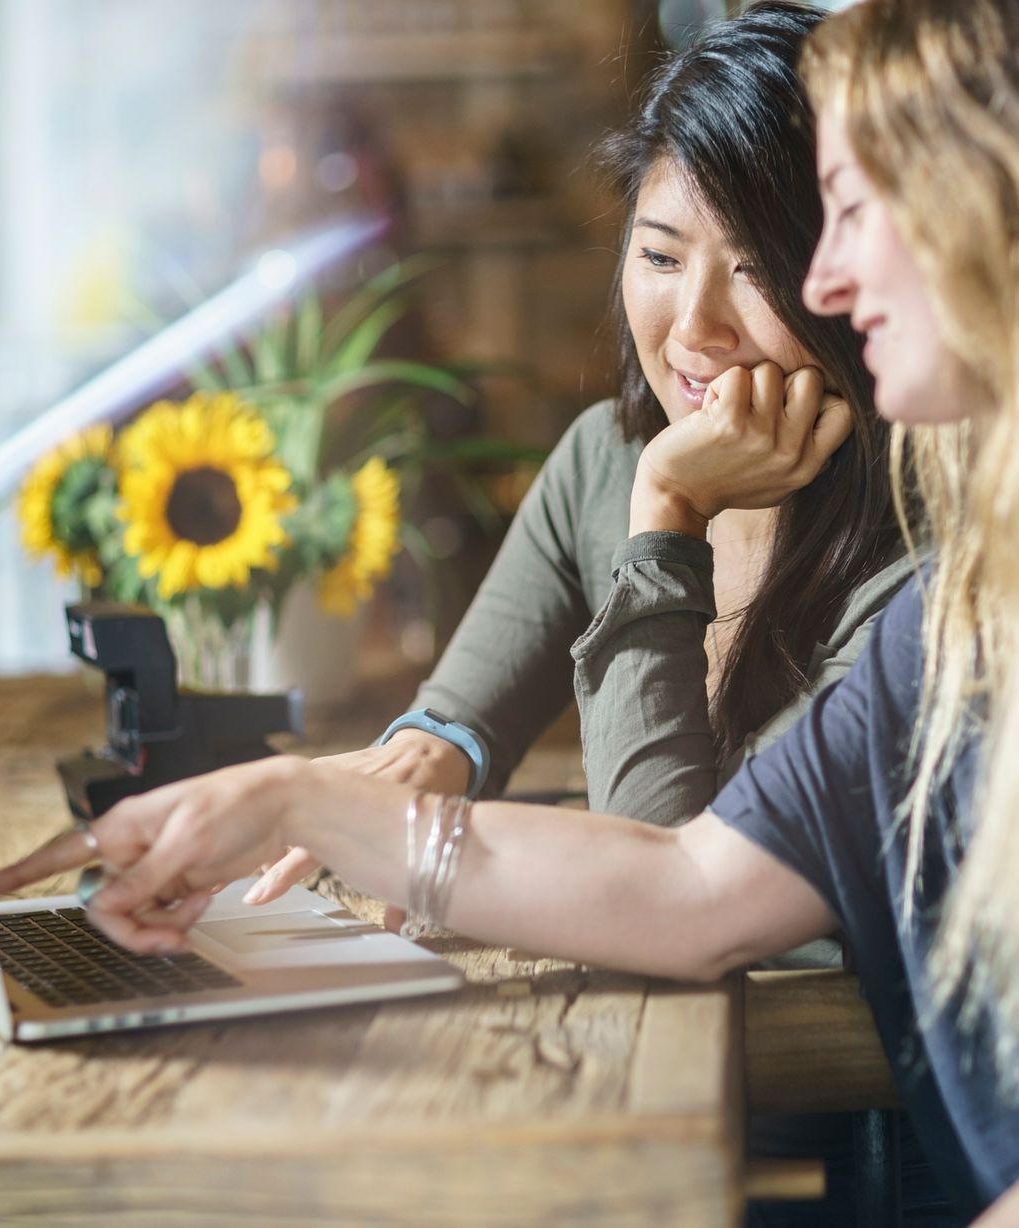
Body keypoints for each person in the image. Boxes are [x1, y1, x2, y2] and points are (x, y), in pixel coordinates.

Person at [0, 1, 1019, 1224]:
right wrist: (295, 801)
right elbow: (689, 887)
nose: (829, 285)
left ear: (1013, 207)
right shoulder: (995, 592)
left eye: (853, 216)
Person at [243, 1, 909, 931]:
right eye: (660, 256)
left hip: (805, 1056)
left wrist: (669, 516)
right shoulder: (605, 459)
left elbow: (666, 891)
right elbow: (457, 717)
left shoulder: (912, 572)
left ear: (845, 275)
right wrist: (430, 754)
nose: (691, 328)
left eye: (756, 271)